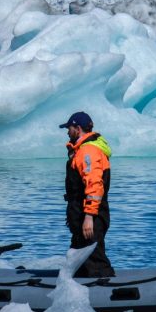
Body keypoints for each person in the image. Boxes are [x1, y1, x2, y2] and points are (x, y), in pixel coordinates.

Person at [60, 111, 115, 278]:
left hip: (90, 215)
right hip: (81, 214)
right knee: (79, 259)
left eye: (69, 128)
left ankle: (105, 292)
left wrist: (89, 216)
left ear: (77, 128)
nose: (67, 132)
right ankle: (75, 293)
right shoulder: (82, 150)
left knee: (94, 259)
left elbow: (94, 185)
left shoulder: (88, 151)